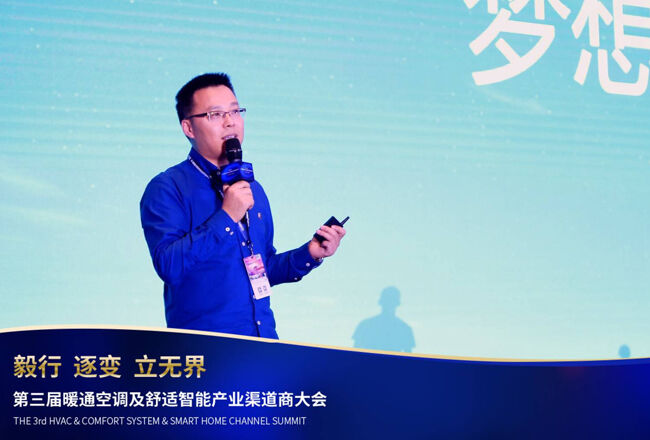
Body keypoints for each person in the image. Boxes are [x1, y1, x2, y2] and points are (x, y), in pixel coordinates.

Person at [140, 73, 345, 338]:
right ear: (189, 128)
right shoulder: (167, 187)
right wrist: (227, 216)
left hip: (262, 344)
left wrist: (310, 253)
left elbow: (262, 268)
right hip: (207, 349)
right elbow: (169, 266)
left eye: (235, 111)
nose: (230, 122)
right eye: (215, 114)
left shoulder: (252, 187)